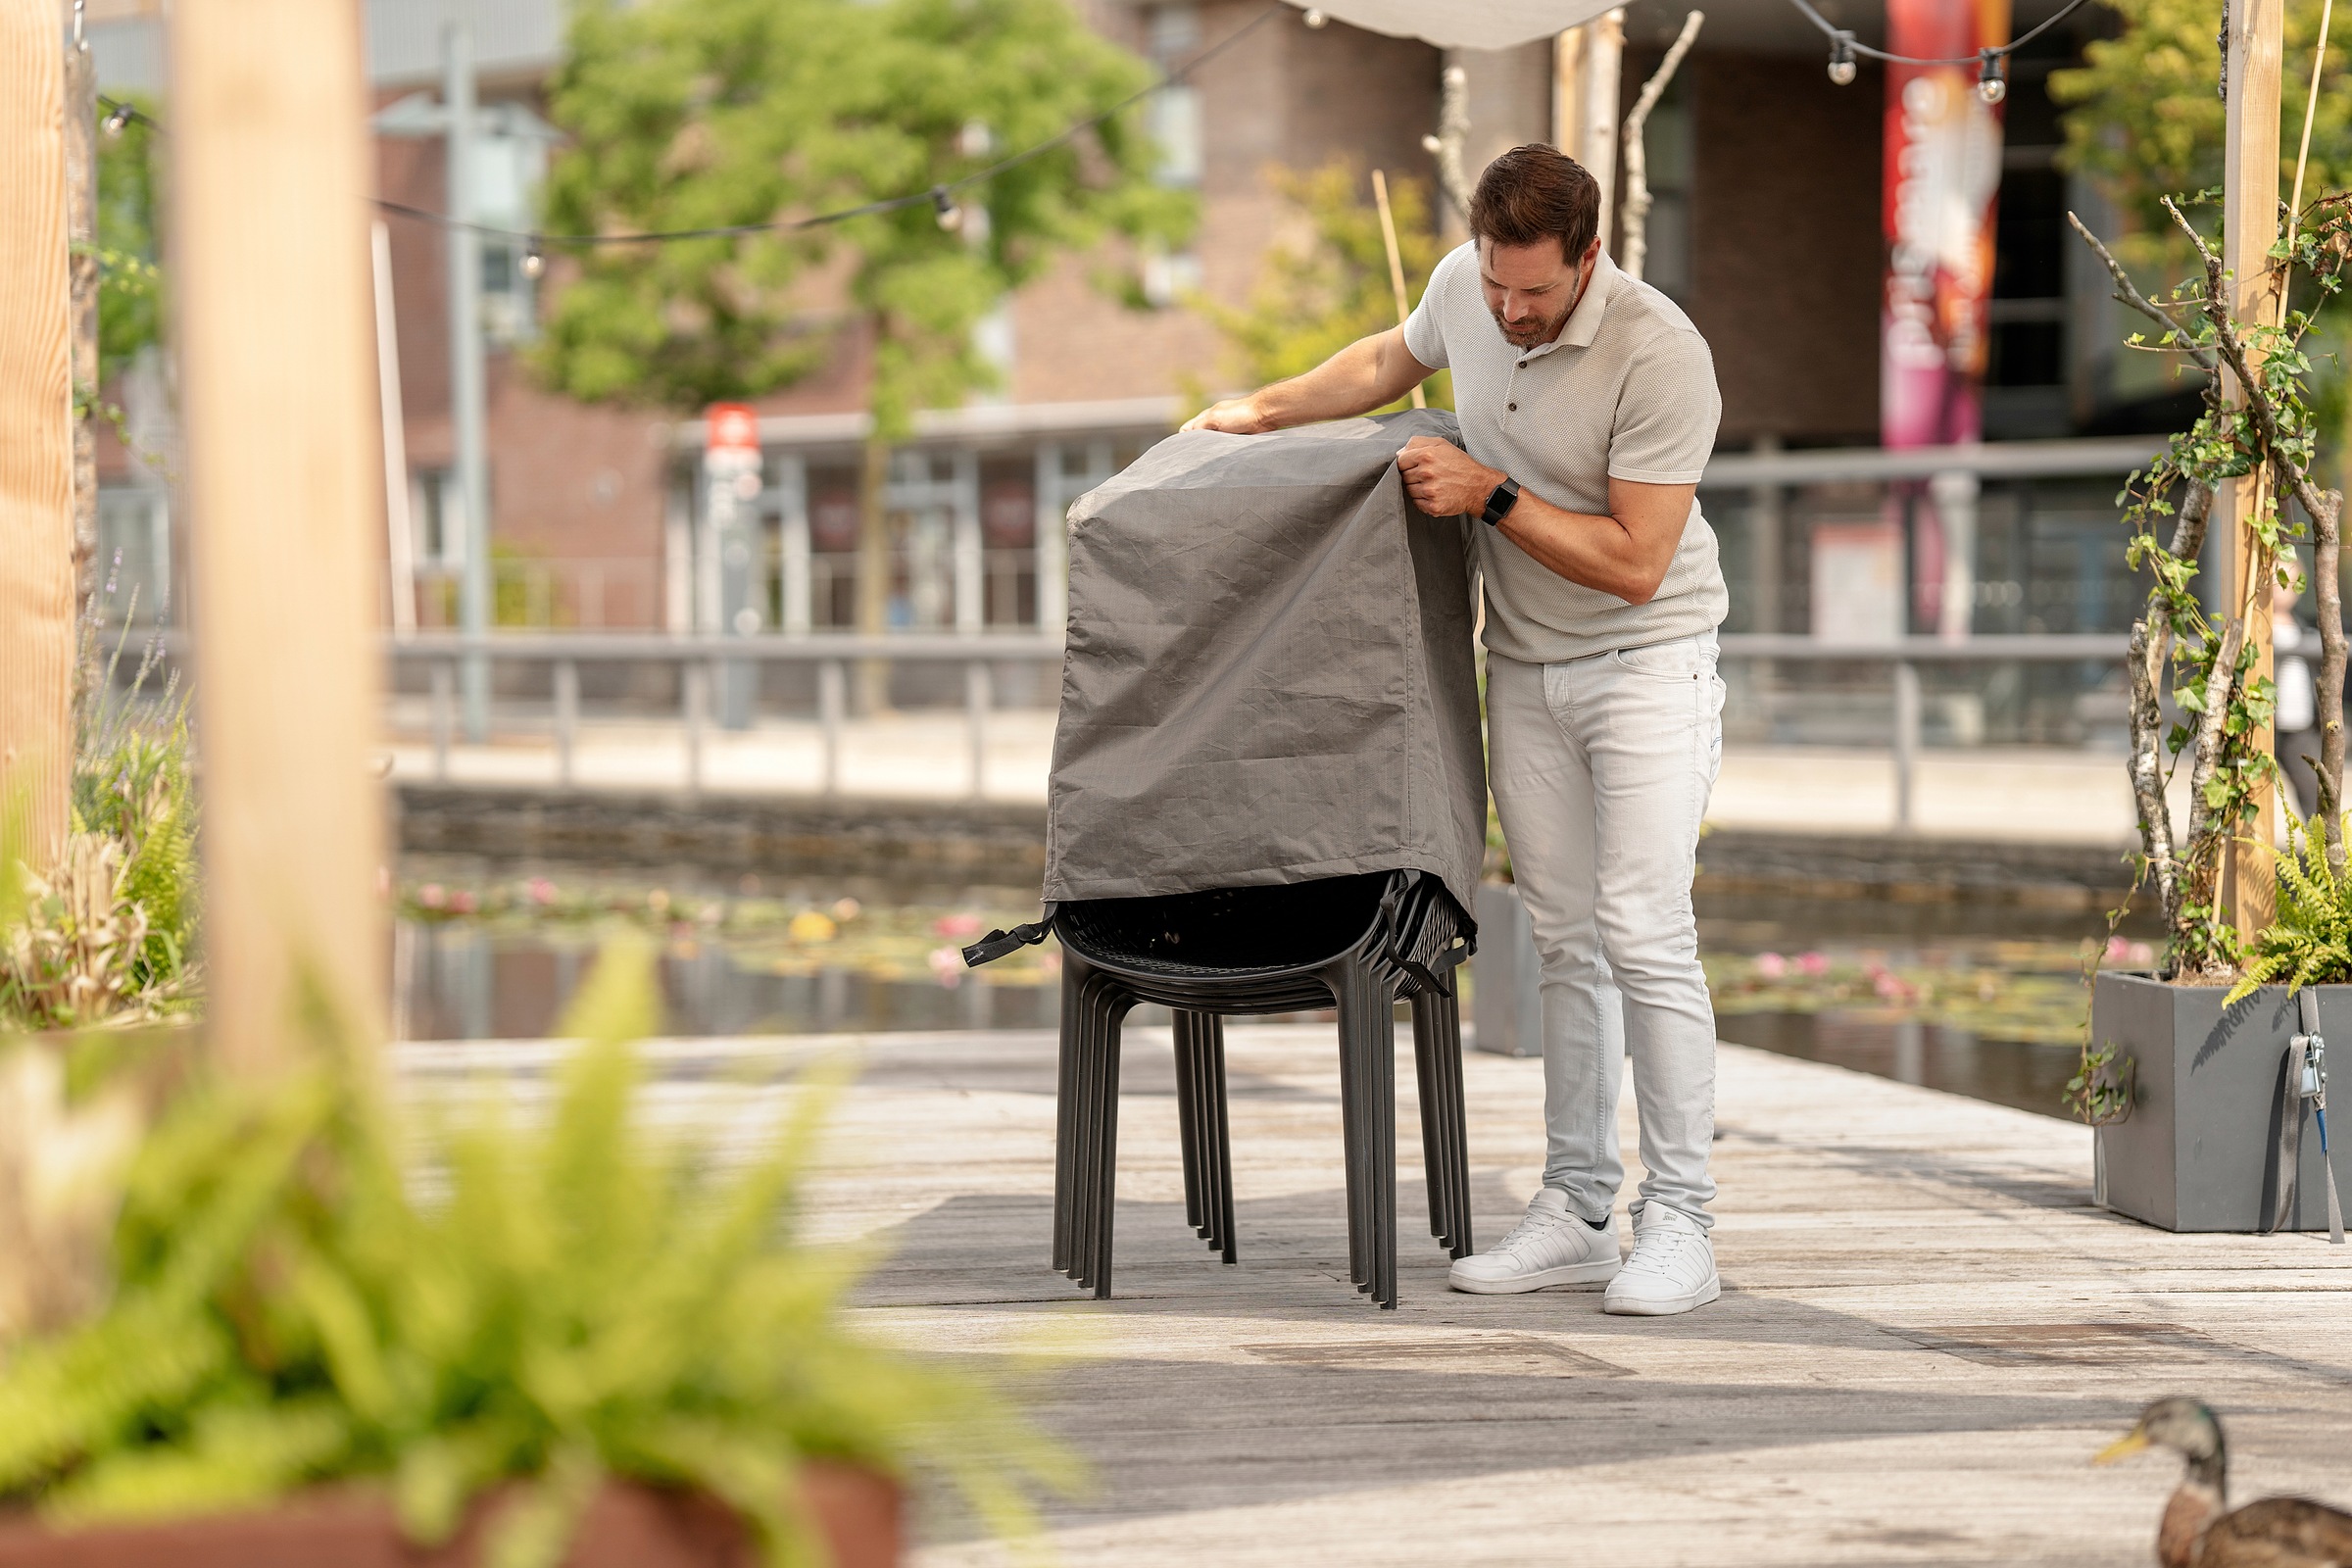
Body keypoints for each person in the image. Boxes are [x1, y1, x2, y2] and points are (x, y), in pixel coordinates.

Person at [1185, 144, 1727, 1316]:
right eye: (1494, 285)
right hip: (1525, 667)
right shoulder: (1468, 288)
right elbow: (1393, 357)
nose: (1509, 311)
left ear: (1591, 257)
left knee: (1645, 930)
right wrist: (1261, 410)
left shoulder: (1662, 351)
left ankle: (1683, 1220)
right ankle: (1580, 1208)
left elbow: (1637, 565)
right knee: (1566, 941)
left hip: (1648, 664)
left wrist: (1488, 492)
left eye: (1534, 290)